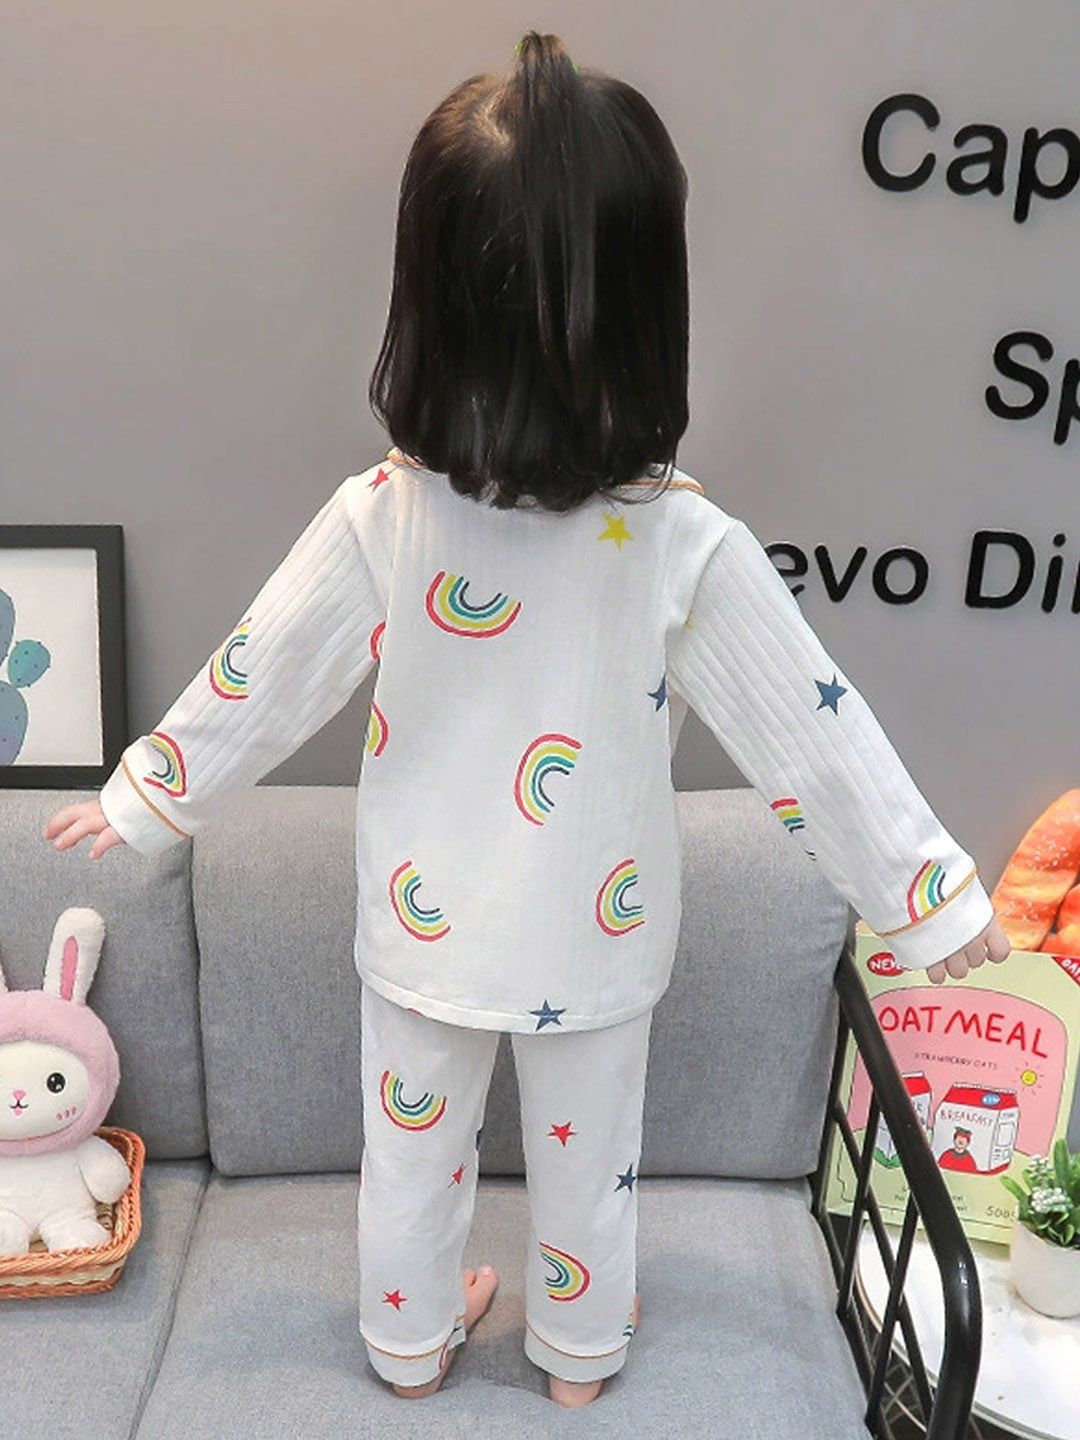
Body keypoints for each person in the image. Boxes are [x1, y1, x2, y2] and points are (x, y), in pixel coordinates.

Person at [43, 31, 1011, 1409]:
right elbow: (812, 733)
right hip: (596, 935)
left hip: (425, 928)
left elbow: (264, 670)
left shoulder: (388, 517)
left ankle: (408, 1347)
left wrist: (149, 790)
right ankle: (577, 1356)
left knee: (408, 1159)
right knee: (590, 1162)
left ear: (428, 303)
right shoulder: (681, 543)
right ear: (650, 311)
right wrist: (930, 896)